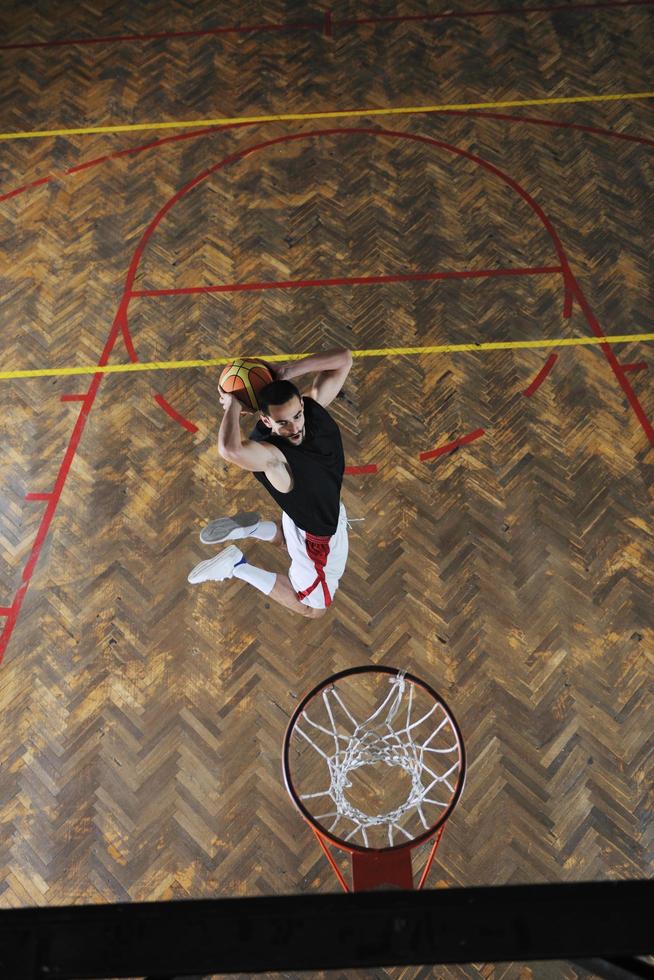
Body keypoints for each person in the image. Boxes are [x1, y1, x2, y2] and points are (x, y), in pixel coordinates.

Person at [187, 348, 353, 618]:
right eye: (283, 423)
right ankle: (235, 565)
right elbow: (230, 450)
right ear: (265, 420)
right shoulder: (273, 455)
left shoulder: (310, 409)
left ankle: (254, 528)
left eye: (297, 416)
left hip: (305, 517)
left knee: (290, 541)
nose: (295, 428)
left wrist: (287, 371)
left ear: (301, 403)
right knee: (313, 609)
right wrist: (233, 406)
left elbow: (344, 359)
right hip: (318, 539)